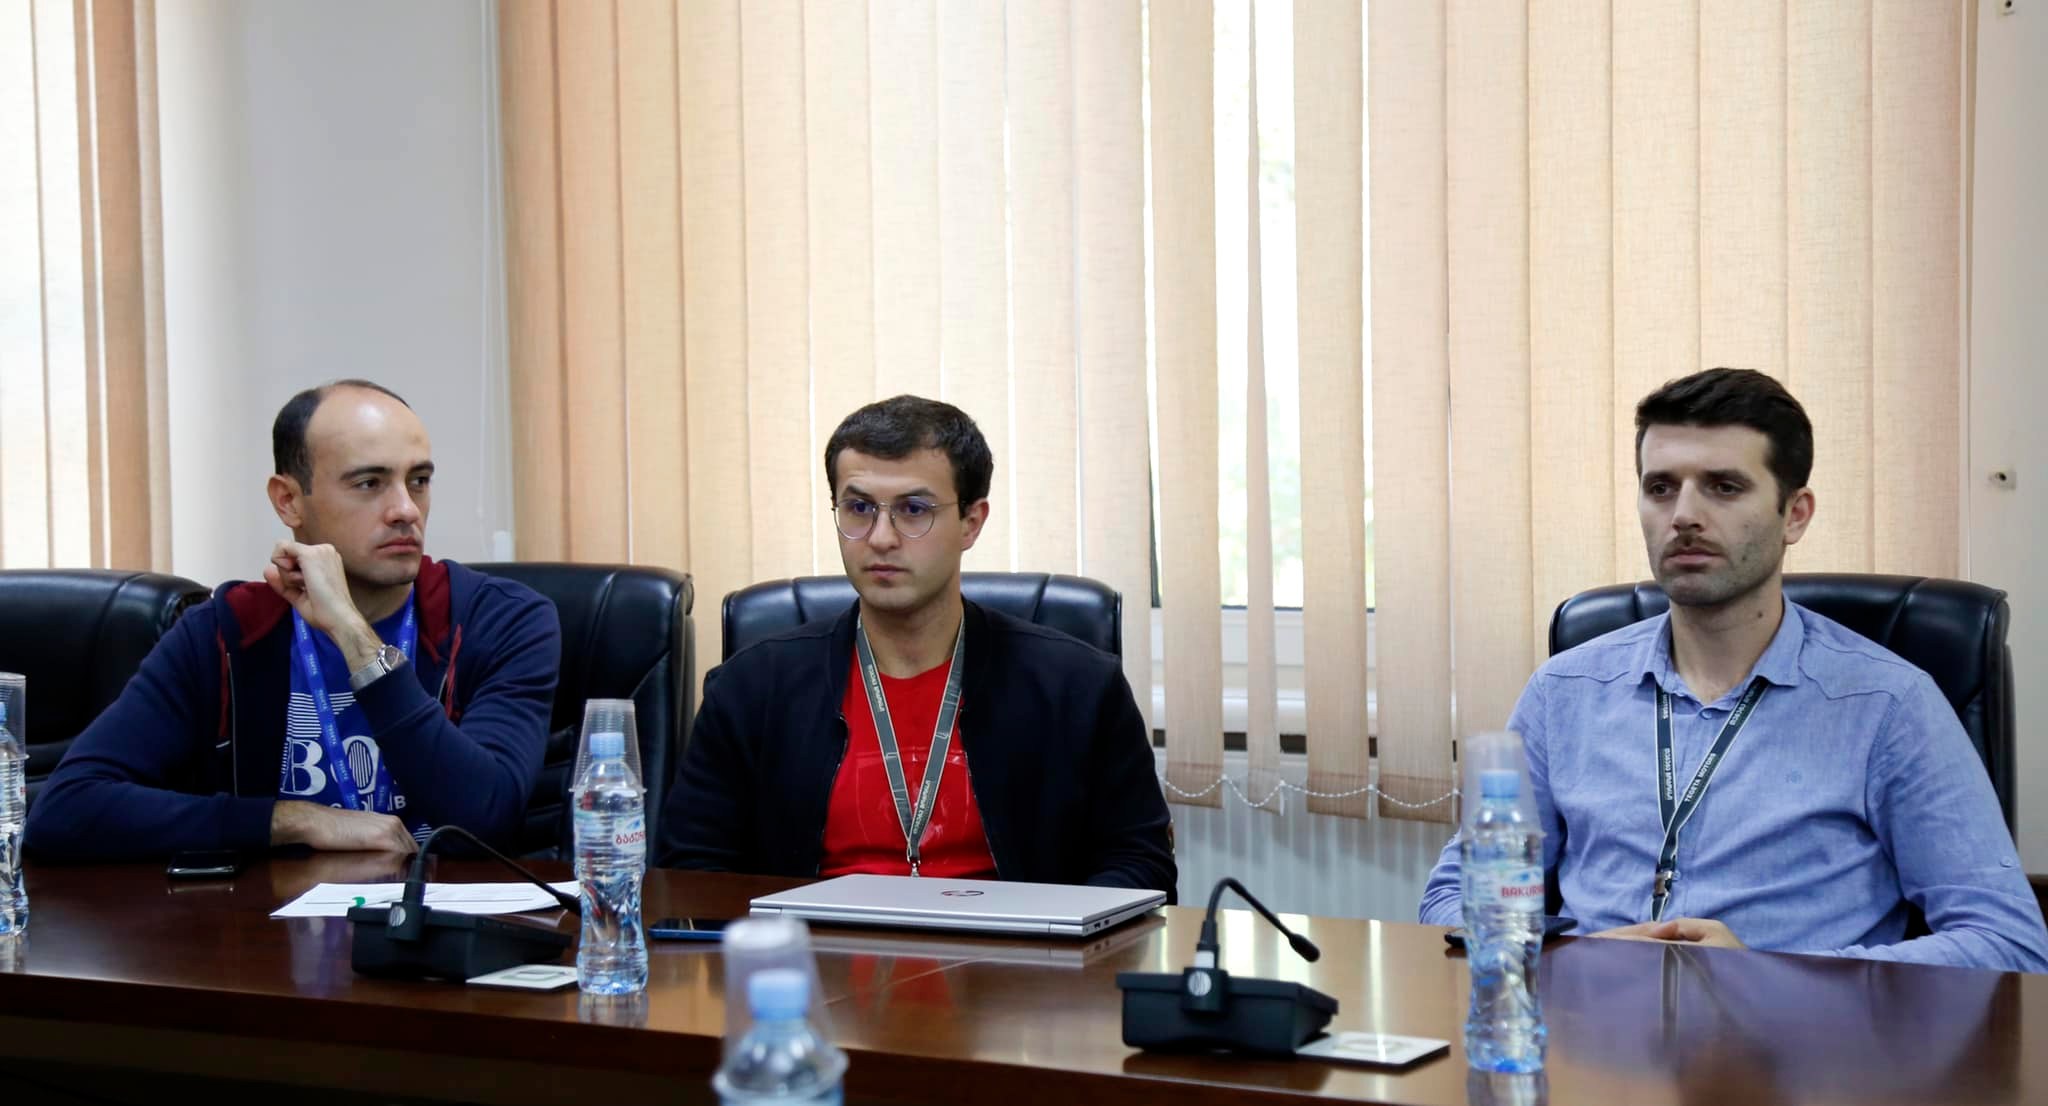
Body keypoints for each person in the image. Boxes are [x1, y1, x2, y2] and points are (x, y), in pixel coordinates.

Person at [1420, 368, 2048, 972]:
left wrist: (1766, 977)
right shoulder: (1565, 690)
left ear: (1795, 514)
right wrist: (1582, 959)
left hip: (1792, 1039)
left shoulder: (1888, 704)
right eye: (1660, 487)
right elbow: (1455, 899)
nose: (1683, 515)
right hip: (1593, 1028)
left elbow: (2007, 944)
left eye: (1723, 487)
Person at [658, 395, 1176, 897]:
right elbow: (691, 869)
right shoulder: (751, 687)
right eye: (859, 507)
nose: (881, 537)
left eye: (913, 509)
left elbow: (1141, 862)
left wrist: (1052, 938)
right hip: (814, 950)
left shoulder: (1080, 686)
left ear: (971, 522)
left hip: (1013, 951)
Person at [26, 380, 561, 861]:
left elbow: (486, 816)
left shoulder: (502, 620)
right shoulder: (228, 632)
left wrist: (352, 633)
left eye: (418, 480)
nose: (406, 509)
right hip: (271, 932)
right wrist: (290, 820)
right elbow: (65, 810)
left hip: (443, 925)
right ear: (288, 501)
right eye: (369, 483)